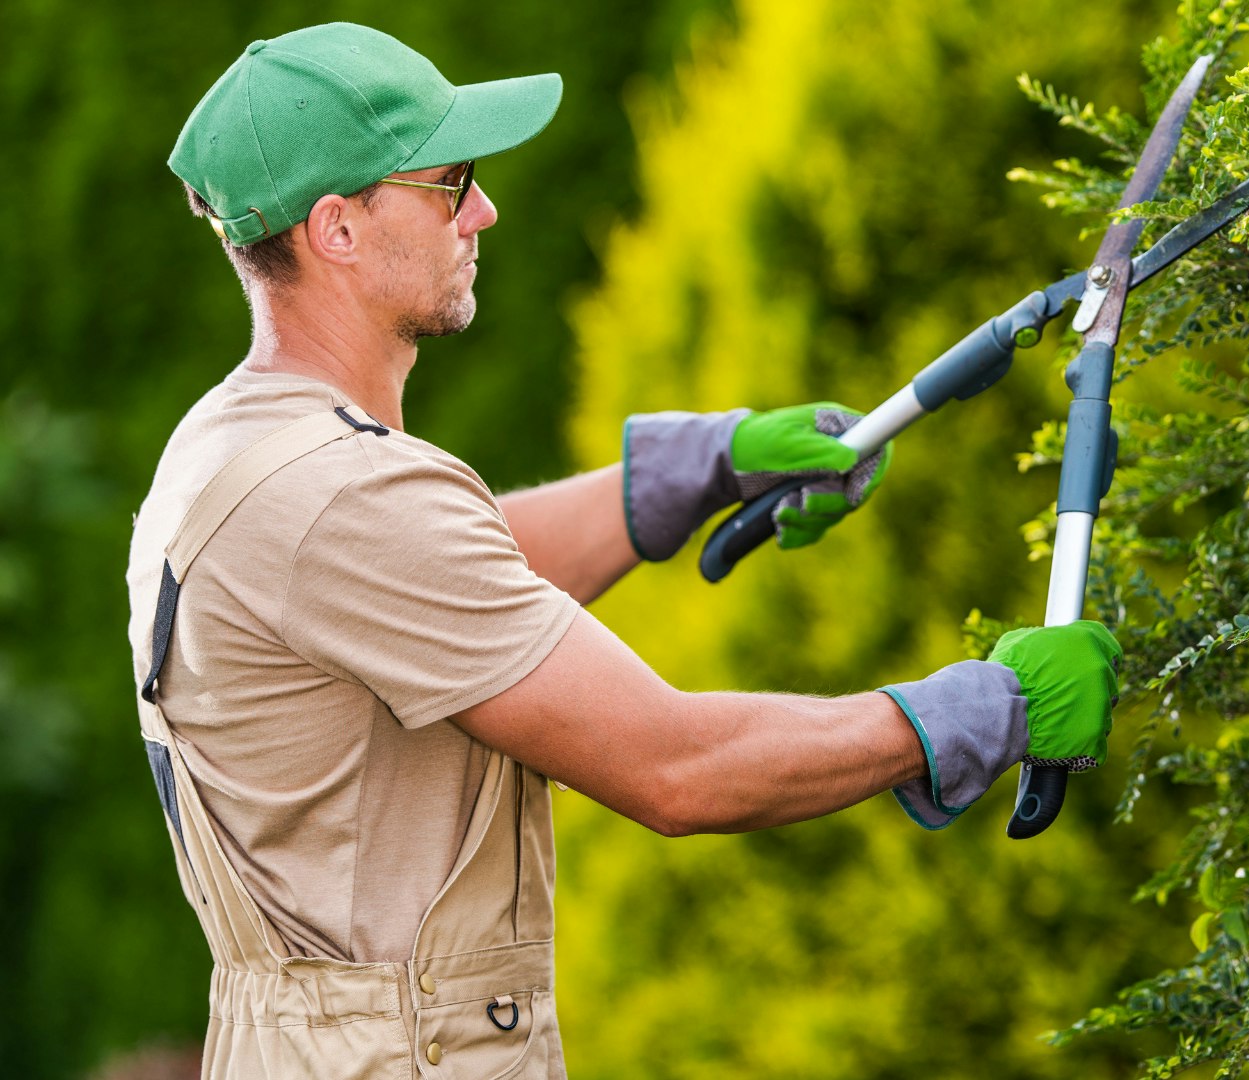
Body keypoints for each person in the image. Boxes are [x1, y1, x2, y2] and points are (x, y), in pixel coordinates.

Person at [128, 22, 1121, 1078]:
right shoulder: (342, 497)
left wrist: (700, 467)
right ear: (337, 229)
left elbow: (453, 581)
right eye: (449, 181)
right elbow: (679, 767)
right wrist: (980, 714)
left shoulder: (239, 449)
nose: (484, 210)